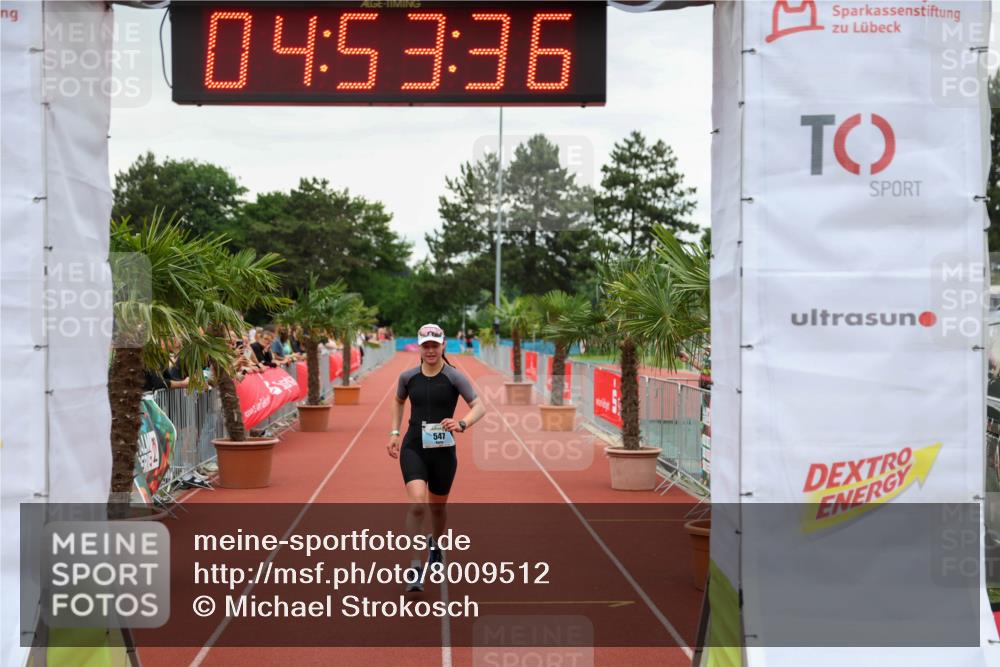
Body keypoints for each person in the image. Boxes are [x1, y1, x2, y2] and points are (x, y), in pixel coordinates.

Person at [387, 323, 485, 592]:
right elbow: (398, 401)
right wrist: (395, 431)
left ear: (443, 346)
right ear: (419, 347)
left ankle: (436, 545)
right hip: (414, 447)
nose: (430, 350)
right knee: (417, 504)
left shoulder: (454, 377)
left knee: (438, 508)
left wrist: (462, 424)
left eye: (435, 344)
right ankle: (415, 565)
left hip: (443, 451)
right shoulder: (408, 377)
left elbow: (479, 406)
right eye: (426, 345)